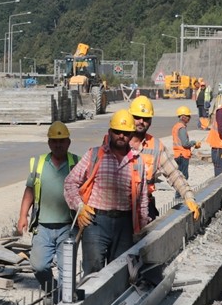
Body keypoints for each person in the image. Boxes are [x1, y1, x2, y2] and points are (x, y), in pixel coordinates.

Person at [63, 109, 141, 275]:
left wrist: (141, 227)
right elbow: (70, 182)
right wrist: (80, 207)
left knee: (119, 272)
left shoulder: (137, 161)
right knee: (93, 272)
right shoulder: (95, 155)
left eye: (126, 133)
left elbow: (142, 200)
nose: (121, 136)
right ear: (110, 132)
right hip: (96, 221)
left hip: (124, 223)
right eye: (117, 132)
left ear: (132, 134)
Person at [16, 122, 79, 291]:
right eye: (54, 141)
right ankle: (52, 290)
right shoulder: (40, 163)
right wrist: (23, 216)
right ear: (49, 143)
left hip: (68, 226)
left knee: (66, 270)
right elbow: (29, 190)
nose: (58, 145)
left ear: (68, 142)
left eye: (62, 141)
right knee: (38, 266)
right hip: (43, 227)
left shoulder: (77, 163)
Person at [129, 96, 201, 221]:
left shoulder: (156, 146)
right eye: (137, 117)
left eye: (145, 118)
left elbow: (174, 174)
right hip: (119, 207)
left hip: (144, 206)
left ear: (150, 121)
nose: (141, 121)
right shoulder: (117, 141)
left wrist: (189, 197)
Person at [172, 105, 197, 180]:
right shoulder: (181, 128)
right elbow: (185, 144)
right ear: (183, 117)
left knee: (180, 178)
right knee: (183, 178)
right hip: (182, 156)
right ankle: (180, 192)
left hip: (178, 154)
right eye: (188, 116)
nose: (189, 118)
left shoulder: (176, 126)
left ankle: (179, 191)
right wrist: (193, 143)